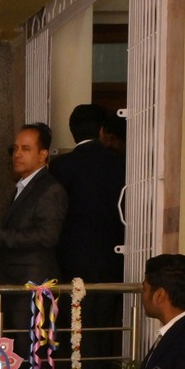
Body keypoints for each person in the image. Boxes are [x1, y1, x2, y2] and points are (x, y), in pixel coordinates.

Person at [0, 123, 69, 369]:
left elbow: (47, 236)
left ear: (43, 154)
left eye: (26, 149)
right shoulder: (24, 186)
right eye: (15, 148)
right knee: (12, 356)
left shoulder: (50, 188)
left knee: (32, 358)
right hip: (13, 284)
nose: (17, 154)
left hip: (30, 286)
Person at [51, 105, 127, 284]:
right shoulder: (119, 162)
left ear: (72, 131)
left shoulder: (59, 166)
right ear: (102, 130)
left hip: (71, 254)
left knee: (75, 301)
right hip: (112, 252)